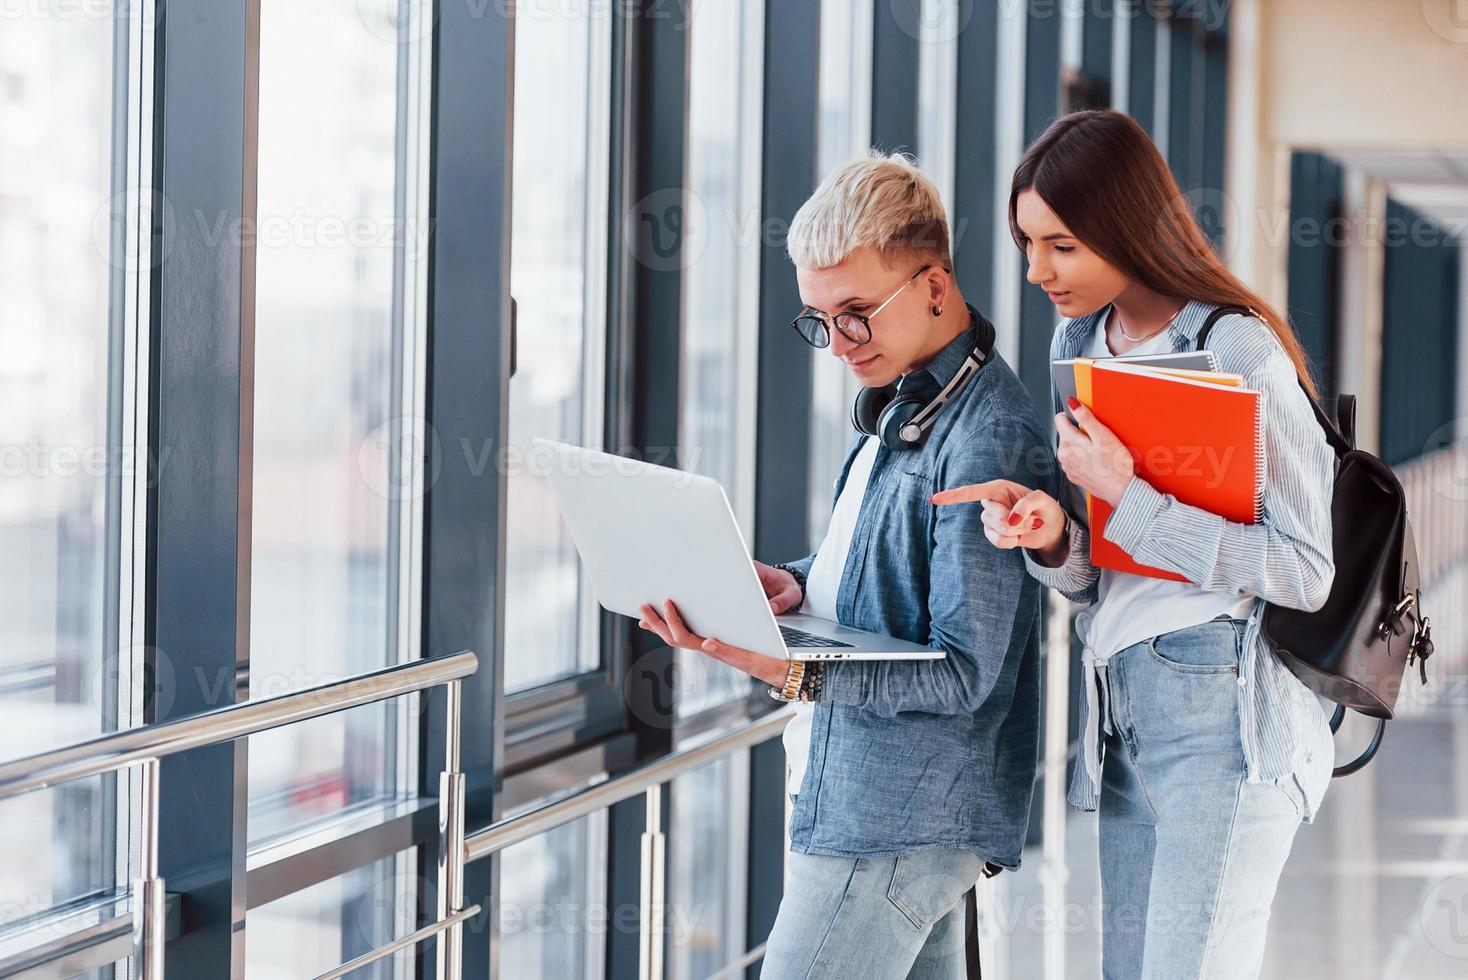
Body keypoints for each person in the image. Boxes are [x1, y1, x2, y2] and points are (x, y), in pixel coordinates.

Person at [933, 109, 1336, 979]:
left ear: (1124, 226)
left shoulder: (1237, 348)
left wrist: (1131, 492)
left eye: (1063, 246)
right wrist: (1053, 540)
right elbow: (1103, 577)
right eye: (1027, 243)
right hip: (1119, 712)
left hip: (1224, 717)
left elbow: (1306, 569)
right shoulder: (1080, 343)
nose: (1037, 270)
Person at [635, 151, 1053, 978]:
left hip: (892, 827)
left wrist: (795, 673)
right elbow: (886, 572)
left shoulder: (985, 437)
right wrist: (799, 584)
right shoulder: (904, 405)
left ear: (936, 288)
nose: (836, 345)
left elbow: (964, 672)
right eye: (819, 320)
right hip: (877, 813)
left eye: (856, 313)